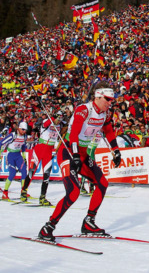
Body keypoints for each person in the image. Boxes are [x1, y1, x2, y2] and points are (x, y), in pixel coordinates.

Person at [38, 84, 122, 241]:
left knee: (102, 183)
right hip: (68, 151)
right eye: (108, 99)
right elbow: (75, 133)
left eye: (112, 100)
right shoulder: (84, 110)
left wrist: (116, 150)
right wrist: (75, 155)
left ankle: (89, 222)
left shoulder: (105, 113)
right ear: (97, 97)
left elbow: (109, 131)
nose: (110, 103)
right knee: (74, 192)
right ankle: (48, 227)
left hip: (82, 154)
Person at [23, 114, 61, 206]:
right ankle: (23, 191)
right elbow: (45, 125)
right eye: (58, 119)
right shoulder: (46, 122)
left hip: (48, 152)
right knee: (32, 171)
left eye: (60, 119)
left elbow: (57, 137)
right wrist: (52, 118)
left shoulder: (59, 126)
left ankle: (42, 197)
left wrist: (56, 149)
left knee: (47, 175)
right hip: (40, 149)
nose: (58, 121)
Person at [0, 121, 31, 202]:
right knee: (12, 173)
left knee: (24, 172)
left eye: (25, 130)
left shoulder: (25, 136)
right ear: (19, 128)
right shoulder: (13, 135)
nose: (24, 131)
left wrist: (24, 155)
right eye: (23, 129)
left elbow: (23, 145)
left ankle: (23, 191)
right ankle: (5, 192)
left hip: (18, 155)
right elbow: (0, 143)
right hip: (10, 155)